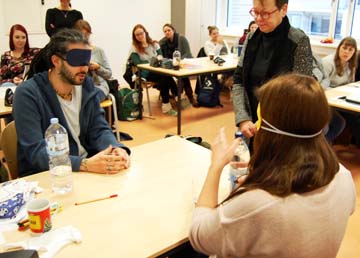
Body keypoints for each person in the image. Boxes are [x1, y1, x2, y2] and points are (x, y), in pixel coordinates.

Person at [189, 74, 356, 258]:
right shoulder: (344, 177)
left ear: (269, 131)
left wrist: (216, 166)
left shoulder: (257, 204)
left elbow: (198, 235)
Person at [13, 29, 130, 177]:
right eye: (76, 59)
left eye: (86, 59)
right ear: (56, 61)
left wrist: (115, 148)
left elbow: (99, 129)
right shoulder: (28, 94)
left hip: (87, 171)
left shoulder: (86, 86)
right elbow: (36, 152)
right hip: (49, 178)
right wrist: (83, 164)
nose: (84, 68)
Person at [232, 0, 313, 142]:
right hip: (250, 124)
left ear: (283, 9)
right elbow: (239, 80)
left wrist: (268, 123)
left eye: (265, 13)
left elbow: (302, 92)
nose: (258, 18)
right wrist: (243, 118)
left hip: (280, 130)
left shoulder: (298, 40)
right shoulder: (251, 38)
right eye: (255, 12)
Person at [130, 24, 178, 116]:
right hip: (145, 73)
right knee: (166, 77)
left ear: (145, 33)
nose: (140, 36)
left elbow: (160, 57)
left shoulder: (154, 44)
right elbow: (139, 64)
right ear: (134, 37)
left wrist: (158, 60)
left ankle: (168, 103)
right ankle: (175, 97)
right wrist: (154, 62)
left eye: (141, 33)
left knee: (166, 76)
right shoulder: (134, 48)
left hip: (158, 71)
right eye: (137, 35)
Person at [322, 36, 359, 145]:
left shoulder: (351, 64)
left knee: (354, 117)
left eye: (350, 50)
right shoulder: (328, 62)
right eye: (344, 48)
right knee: (339, 123)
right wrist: (339, 91)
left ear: (354, 52)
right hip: (326, 100)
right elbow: (322, 85)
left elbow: (350, 84)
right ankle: (322, 146)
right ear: (339, 48)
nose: (346, 52)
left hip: (340, 100)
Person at [159, 23, 197, 107]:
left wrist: (178, 61)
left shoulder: (181, 38)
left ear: (173, 30)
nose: (167, 32)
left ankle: (190, 97)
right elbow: (161, 54)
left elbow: (188, 53)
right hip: (172, 65)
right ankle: (177, 94)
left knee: (184, 77)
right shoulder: (164, 42)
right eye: (165, 31)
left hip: (184, 62)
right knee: (165, 75)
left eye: (169, 30)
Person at [73, 19, 111, 101]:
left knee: (91, 99)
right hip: (79, 88)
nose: (85, 38)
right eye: (82, 35)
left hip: (99, 86)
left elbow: (109, 74)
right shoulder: (72, 52)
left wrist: (98, 67)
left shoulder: (98, 51)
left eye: (87, 35)